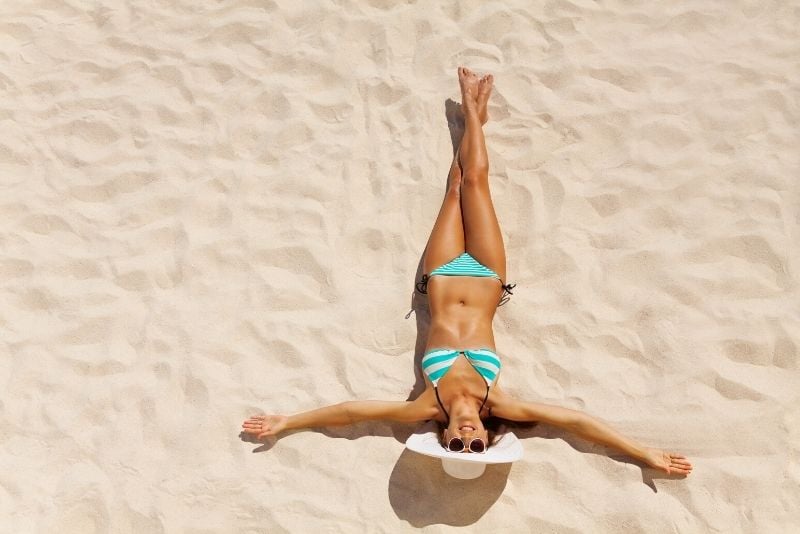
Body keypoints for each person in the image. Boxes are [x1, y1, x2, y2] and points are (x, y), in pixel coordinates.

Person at [242, 67, 693, 476]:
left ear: (443, 439)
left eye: (455, 445)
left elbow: (349, 412)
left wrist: (288, 422)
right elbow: (576, 422)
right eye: (475, 445)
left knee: (455, 185)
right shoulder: (500, 402)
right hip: (486, 275)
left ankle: (475, 118)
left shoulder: (424, 405)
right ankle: (476, 113)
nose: (465, 438)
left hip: (439, 275)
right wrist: (642, 453)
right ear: (487, 437)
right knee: (476, 182)